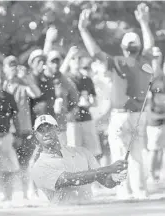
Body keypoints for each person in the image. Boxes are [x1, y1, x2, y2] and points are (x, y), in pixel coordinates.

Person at [78, 3, 155, 199]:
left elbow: (95, 52)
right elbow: (150, 45)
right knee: (137, 154)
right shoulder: (144, 60)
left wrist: (83, 29)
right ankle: (140, 191)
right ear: (138, 47)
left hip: (120, 117)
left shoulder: (118, 61)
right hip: (139, 115)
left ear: (123, 47)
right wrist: (144, 23)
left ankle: (124, 191)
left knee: (120, 155)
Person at [31, 114, 128, 204]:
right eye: (41, 131)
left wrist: (115, 177)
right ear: (36, 135)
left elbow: (106, 181)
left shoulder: (81, 152)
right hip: (62, 213)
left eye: (49, 128)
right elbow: (72, 179)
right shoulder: (39, 167)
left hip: (90, 211)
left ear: (57, 130)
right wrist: (109, 168)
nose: (46, 133)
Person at [3, 56, 41, 199]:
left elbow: (36, 94)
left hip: (24, 130)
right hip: (7, 131)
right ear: (5, 68)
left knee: (25, 163)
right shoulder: (1, 85)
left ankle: (26, 194)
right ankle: (8, 195)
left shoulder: (22, 84)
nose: (13, 68)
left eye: (14, 65)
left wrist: (25, 78)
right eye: (10, 65)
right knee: (6, 166)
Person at [60, 46, 102, 160]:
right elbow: (58, 74)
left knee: (93, 152)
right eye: (74, 58)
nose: (77, 61)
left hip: (87, 118)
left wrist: (89, 102)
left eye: (79, 58)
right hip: (72, 120)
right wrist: (68, 55)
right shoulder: (66, 78)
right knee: (74, 153)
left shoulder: (87, 79)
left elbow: (95, 102)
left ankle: (94, 175)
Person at [44, 49, 79, 147]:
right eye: (52, 62)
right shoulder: (42, 78)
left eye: (57, 61)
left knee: (62, 154)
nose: (55, 64)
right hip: (43, 126)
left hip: (60, 124)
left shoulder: (64, 79)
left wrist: (70, 110)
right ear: (47, 63)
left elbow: (75, 97)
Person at [0, 64, 20, 202]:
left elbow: (15, 117)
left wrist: (17, 134)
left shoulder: (8, 97)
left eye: (0, 78)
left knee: (8, 168)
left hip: (5, 136)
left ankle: (8, 196)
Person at [146, 47, 165, 182]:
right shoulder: (148, 75)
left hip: (163, 116)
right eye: (154, 57)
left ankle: (159, 174)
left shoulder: (162, 76)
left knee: (161, 148)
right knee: (154, 148)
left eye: (158, 56)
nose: (156, 59)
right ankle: (151, 175)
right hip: (154, 117)